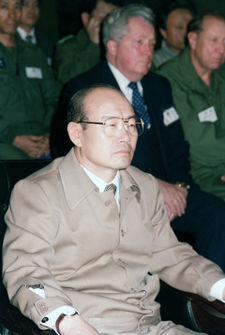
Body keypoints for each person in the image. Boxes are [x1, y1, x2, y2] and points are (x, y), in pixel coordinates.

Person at [3, 84, 225, 335]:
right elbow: (26, 273)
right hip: (85, 326)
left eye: (131, 124)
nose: (125, 135)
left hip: (153, 328)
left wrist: (219, 286)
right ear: (77, 134)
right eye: (111, 124)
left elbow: (170, 254)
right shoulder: (38, 193)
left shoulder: (146, 186)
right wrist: (67, 321)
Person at [53, 4, 225, 272]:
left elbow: (178, 147)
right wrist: (154, 187)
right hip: (119, 194)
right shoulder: (84, 89)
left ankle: (212, 304)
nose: (149, 51)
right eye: (139, 43)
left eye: (152, 43)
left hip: (172, 190)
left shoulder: (158, 86)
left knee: (217, 213)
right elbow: (80, 159)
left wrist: (178, 186)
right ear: (112, 46)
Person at [158, 11, 225, 201]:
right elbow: (198, 144)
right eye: (214, 40)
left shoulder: (220, 76)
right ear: (193, 39)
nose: (221, 49)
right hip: (197, 176)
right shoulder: (168, 80)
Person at [0, 0, 60, 160]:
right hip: (6, 140)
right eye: (4, 7)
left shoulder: (34, 54)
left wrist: (48, 134)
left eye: (17, 7)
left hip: (41, 138)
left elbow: (53, 99)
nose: (12, 14)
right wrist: (11, 137)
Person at [53, 0, 121, 85]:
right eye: (104, 19)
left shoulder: (122, 45)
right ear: (86, 19)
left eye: (115, 20)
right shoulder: (68, 46)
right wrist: (94, 45)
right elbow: (69, 80)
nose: (110, 25)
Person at [153, 0, 195, 68]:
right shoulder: (155, 63)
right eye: (179, 28)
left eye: (190, 26)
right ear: (164, 32)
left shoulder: (202, 58)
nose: (186, 33)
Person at [17, 0, 56, 65]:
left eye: (35, 5)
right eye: (26, 5)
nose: (31, 10)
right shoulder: (7, 39)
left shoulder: (49, 42)